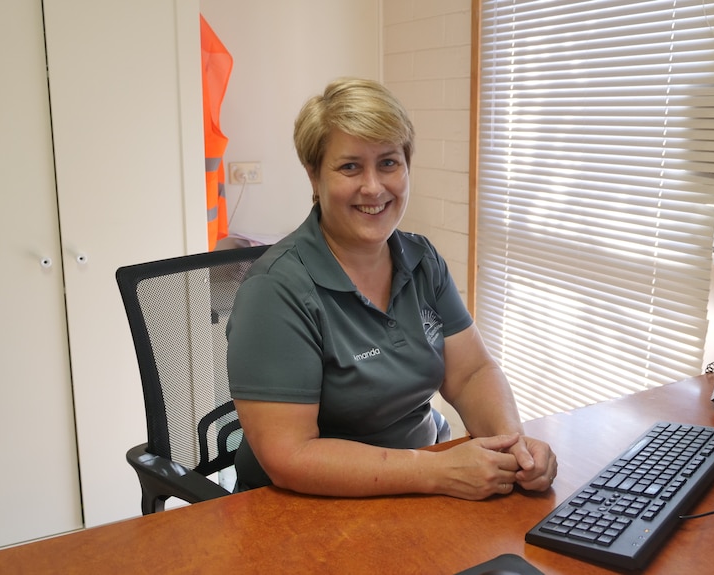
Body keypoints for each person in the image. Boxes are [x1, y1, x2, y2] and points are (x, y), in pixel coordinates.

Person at [226, 77, 557, 500]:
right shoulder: (275, 291)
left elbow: (472, 373)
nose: (374, 187)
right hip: (308, 507)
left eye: (388, 163)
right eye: (350, 167)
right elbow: (290, 455)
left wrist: (515, 445)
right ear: (313, 175)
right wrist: (436, 471)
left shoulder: (422, 260)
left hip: (421, 483)